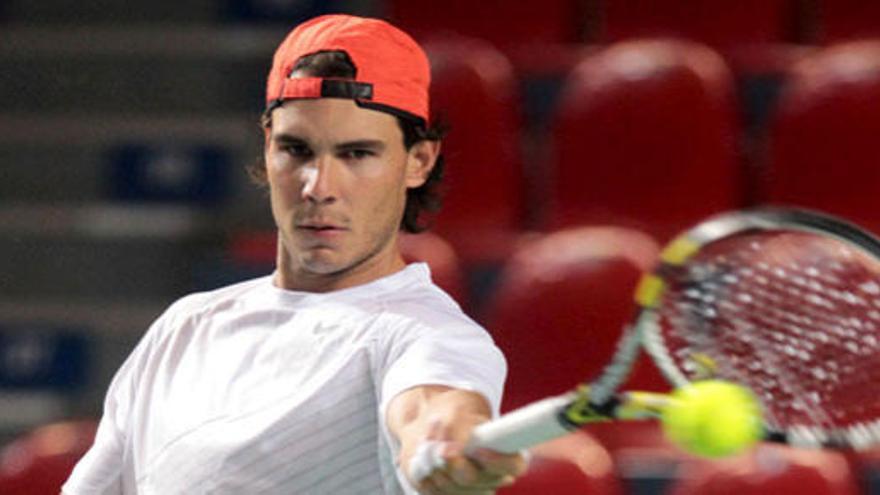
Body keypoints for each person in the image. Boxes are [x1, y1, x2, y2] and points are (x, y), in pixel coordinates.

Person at [63, 13, 525, 495]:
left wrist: (443, 437)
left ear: (418, 162)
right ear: (267, 147)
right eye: (297, 150)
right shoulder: (184, 326)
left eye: (357, 154)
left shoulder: (427, 336)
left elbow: (432, 406)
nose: (319, 187)